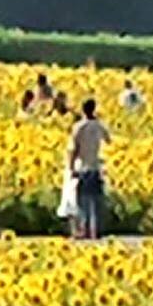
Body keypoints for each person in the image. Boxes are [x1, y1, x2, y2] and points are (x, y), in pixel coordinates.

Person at [63, 99, 111, 239]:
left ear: (83, 110)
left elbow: (73, 149)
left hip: (83, 167)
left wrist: (71, 168)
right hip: (96, 166)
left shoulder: (79, 127)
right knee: (96, 201)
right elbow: (108, 141)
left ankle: (84, 230)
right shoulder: (99, 126)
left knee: (82, 201)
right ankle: (95, 230)